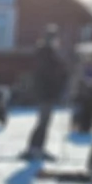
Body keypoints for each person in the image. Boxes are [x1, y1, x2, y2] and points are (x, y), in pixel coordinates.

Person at [20, 24, 68, 160]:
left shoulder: (48, 54)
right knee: (43, 121)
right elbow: (49, 73)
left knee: (45, 121)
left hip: (48, 93)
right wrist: (61, 72)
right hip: (45, 93)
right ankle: (34, 148)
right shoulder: (45, 54)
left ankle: (38, 147)